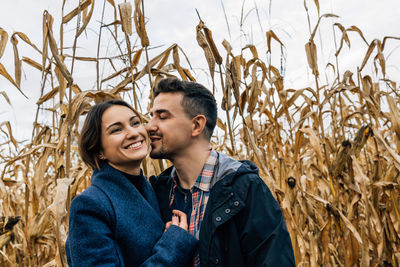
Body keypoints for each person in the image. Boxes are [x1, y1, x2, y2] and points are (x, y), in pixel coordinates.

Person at [147, 78, 295, 266]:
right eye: (151, 116)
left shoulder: (244, 189)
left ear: (196, 126)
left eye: (162, 116)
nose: (149, 126)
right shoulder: (157, 193)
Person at [66, 99, 198, 266]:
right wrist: (174, 246)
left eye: (135, 123)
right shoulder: (90, 205)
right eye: (116, 130)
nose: (133, 133)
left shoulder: (155, 190)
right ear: (99, 151)